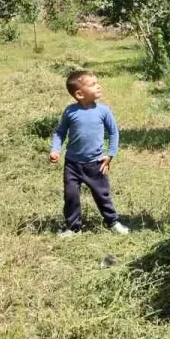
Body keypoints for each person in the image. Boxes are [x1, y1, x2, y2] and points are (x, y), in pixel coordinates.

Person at [49, 70, 130, 236]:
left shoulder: (103, 111)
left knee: (102, 195)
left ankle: (112, 222)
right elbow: (60, 132)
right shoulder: (70, 112)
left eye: (97, 82)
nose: (98, 86)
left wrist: (110, 155)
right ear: (79, 94)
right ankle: (73, 228)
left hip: (96, 163)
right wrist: (55, 149)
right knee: (71, 196)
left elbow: (114, 132)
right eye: (93, 84)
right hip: (72, 164)